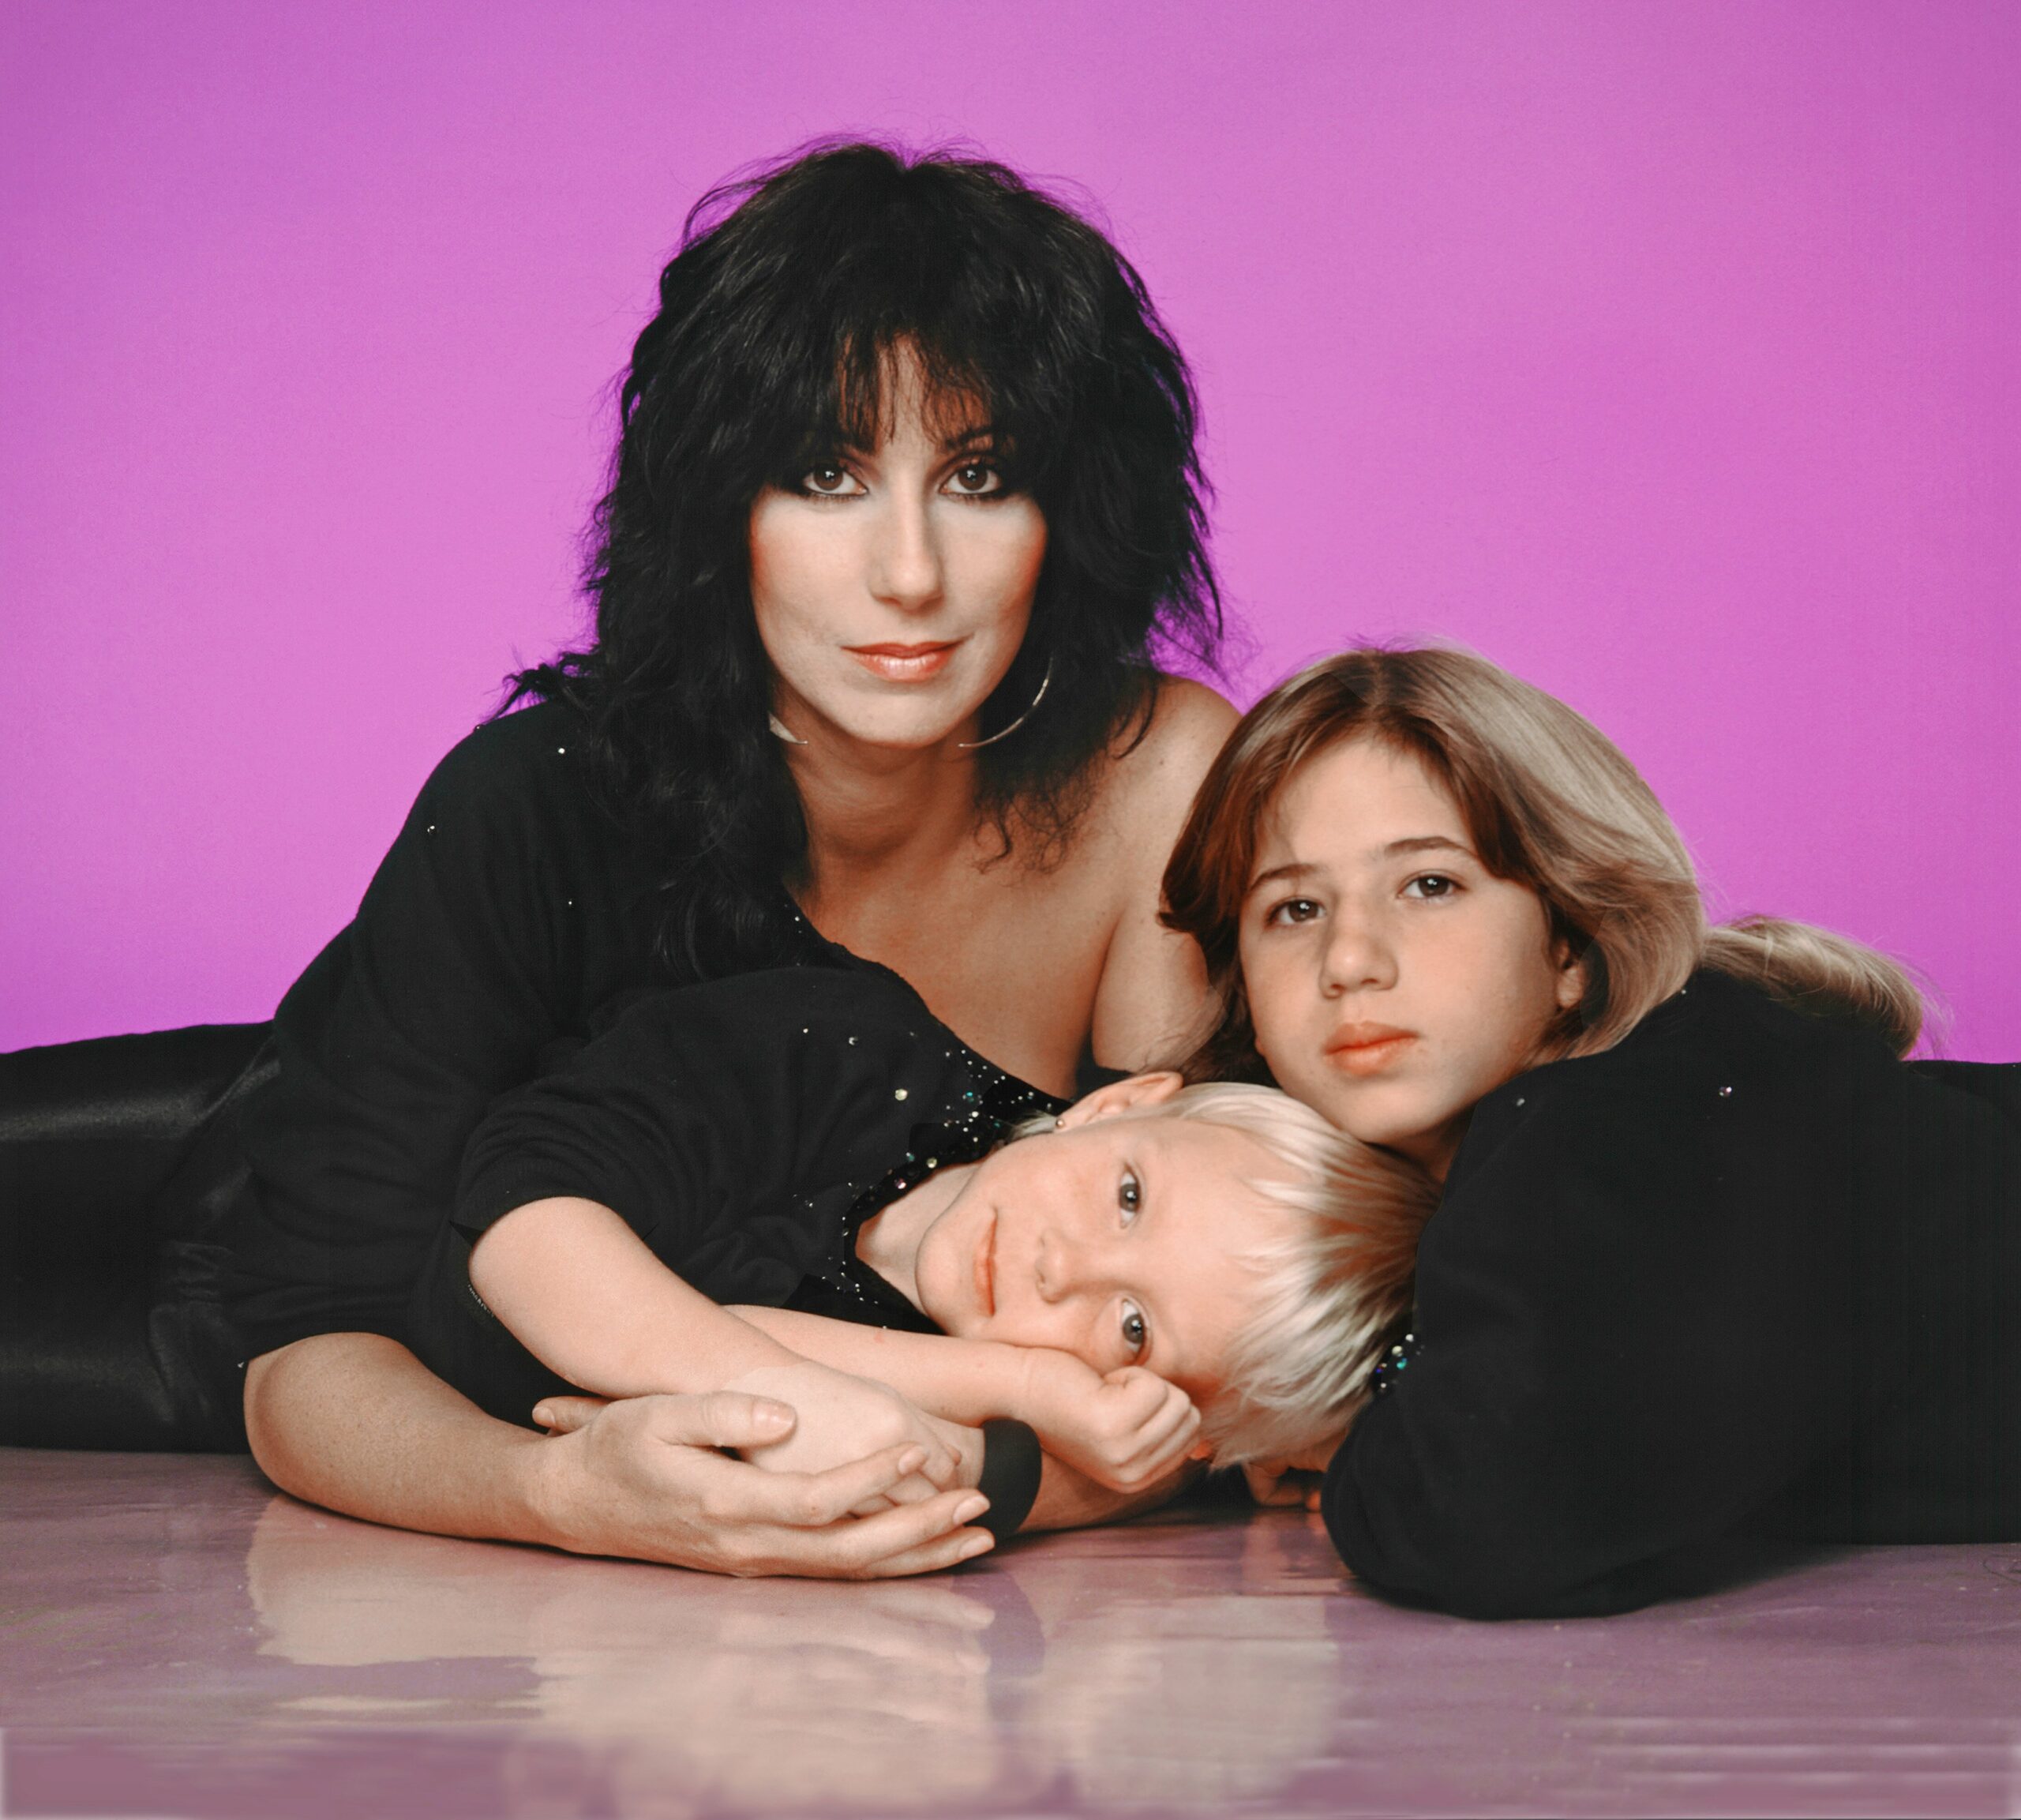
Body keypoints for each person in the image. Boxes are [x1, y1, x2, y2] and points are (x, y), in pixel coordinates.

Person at [0, 141, 1239, 1579]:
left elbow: (1202, 1356)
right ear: (723, 515)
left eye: (978, 476)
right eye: (826, 475)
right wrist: (567, 1497)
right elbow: (295, 1355)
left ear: (1072, 515)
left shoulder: (1157, 781)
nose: (911, 572)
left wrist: (976, 1465)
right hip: (264, 1252)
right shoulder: (542, 798)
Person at [1160, 646, 2021, 1618]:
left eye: (1429, 885)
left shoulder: (1637, 1107)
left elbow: (1485, 1514)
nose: (1350, 959)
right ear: (1246, 996)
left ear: (1569, 943)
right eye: (1295, 907)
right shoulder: (1569, 1152)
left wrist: (1346, 1439)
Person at [388, 965, 1434, 1554]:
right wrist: (1023, 1376)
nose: (1061, 1268)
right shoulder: (855, 1049)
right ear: (1120, 1103)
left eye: (1132, 1327)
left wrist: (1014, 1393)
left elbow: (700, 1356)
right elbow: (525, 1238)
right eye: (1127, 1195)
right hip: (270, 1168)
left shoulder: (969, 1405)